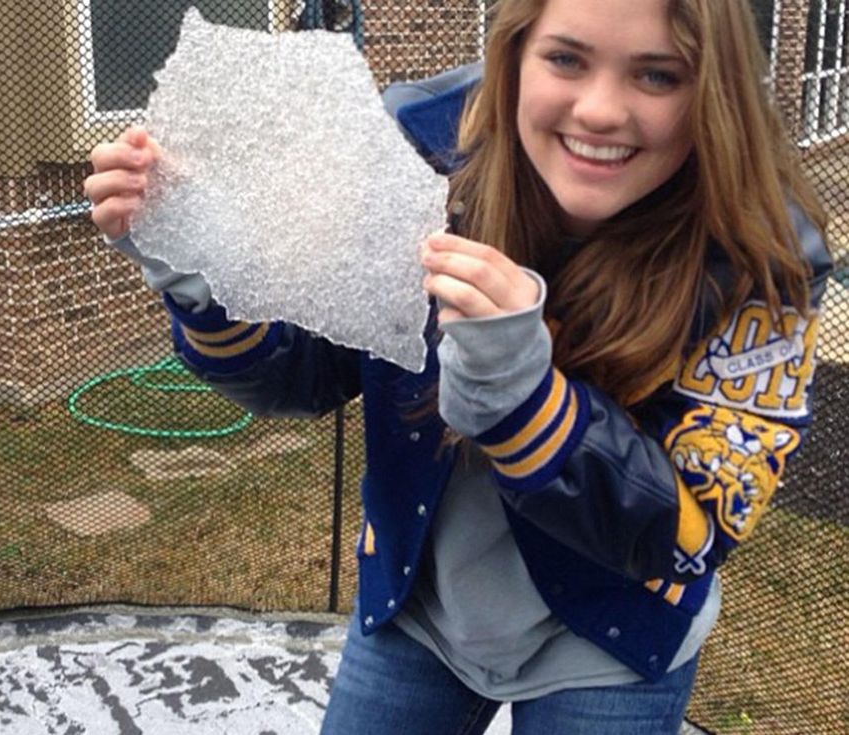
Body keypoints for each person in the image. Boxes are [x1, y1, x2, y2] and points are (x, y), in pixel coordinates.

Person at [83, 0, 832, 732]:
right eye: (567, 58)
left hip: (613, 642)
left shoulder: (764, 260)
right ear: (512, 52)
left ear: (716, 87)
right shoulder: (415, 148)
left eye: (658, 75)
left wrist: (524, 398)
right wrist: (199, 260)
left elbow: (691, 532)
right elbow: (303, 373)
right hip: (419, 607)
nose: (601, 110)